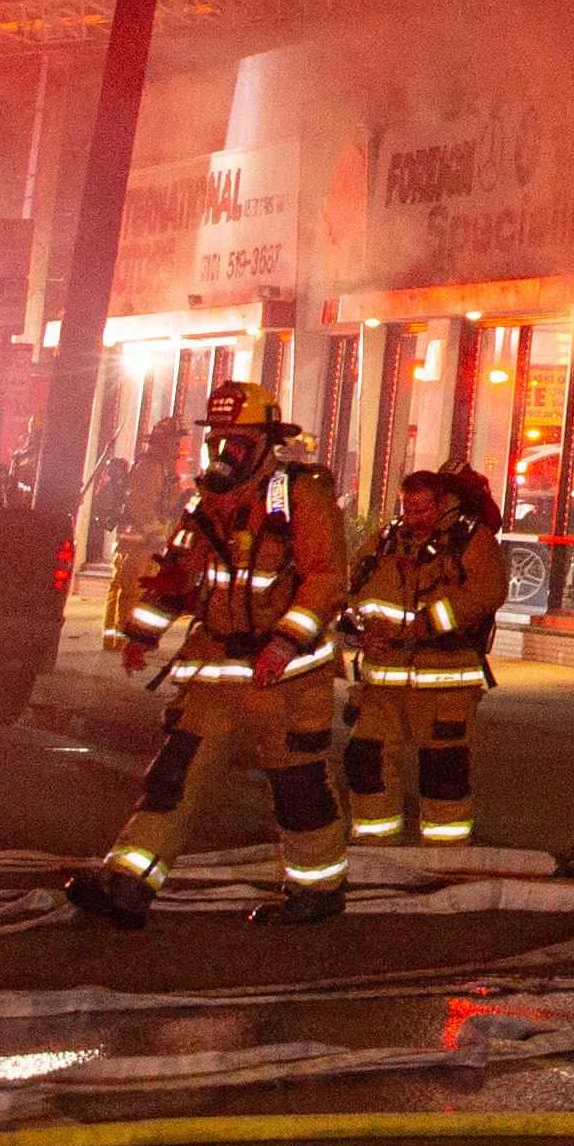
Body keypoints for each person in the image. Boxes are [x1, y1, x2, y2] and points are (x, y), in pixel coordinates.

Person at [70, 382, 348, 928]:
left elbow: (324, 579)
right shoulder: (209, 503)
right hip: (216, 671)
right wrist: (142, 633)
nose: (223, 452)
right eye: (216, 440)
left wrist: (283, 643)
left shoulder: (299, 495)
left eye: (237, 442)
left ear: (267, 443)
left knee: (299, 788)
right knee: (173, 776)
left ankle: (318, 891)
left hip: (286, 681)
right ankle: (129, 885)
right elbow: (180, 572)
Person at [333, 463, 509, 846]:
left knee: (443, 769)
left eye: (423, 511)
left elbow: (488, 591)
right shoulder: (386, 540)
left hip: (444, 679)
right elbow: (353, 592)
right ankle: (372, 846)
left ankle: (445, 855)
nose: (413, 519)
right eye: (407, 510)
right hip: (383, 681)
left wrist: (429, 623)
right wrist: (361, 633)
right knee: (366, 761)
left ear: (443, 503)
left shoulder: (471, 539)